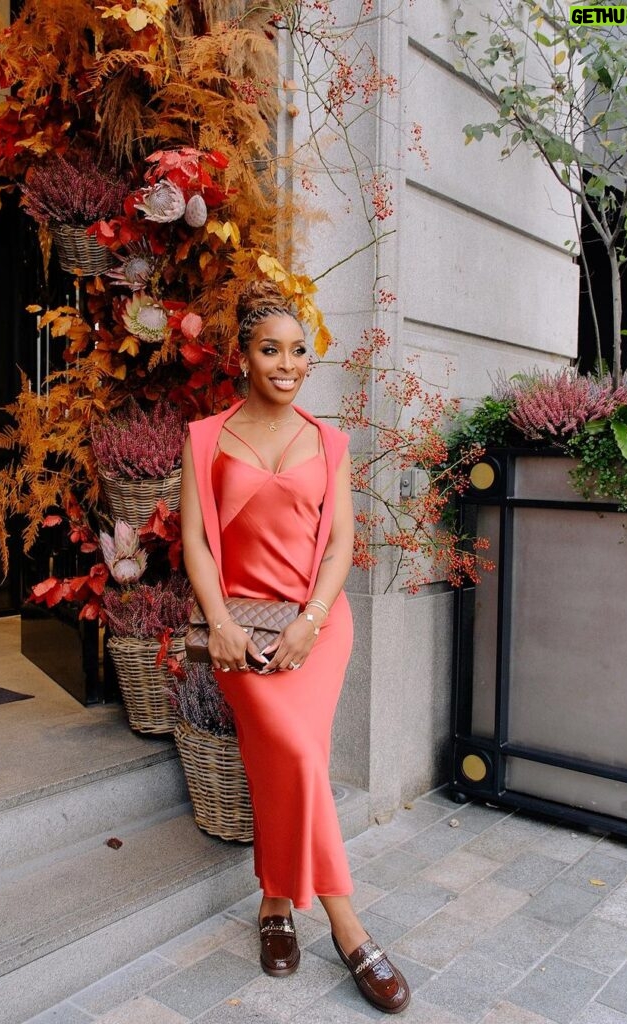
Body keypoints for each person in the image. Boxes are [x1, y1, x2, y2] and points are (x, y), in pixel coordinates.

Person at [180, 281, 410, 1015]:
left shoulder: (329, 441)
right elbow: (193, 539)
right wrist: (218, 622)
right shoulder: (205, 438)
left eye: (297, 352)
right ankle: (349, 928)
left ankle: (275, 906)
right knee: (297, 756)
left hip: (318, 626)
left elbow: (343, 542)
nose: (286, 364)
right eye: (269, 350)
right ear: (242, 357)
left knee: (290, 761)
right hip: (240, 632)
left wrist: (311, 619)